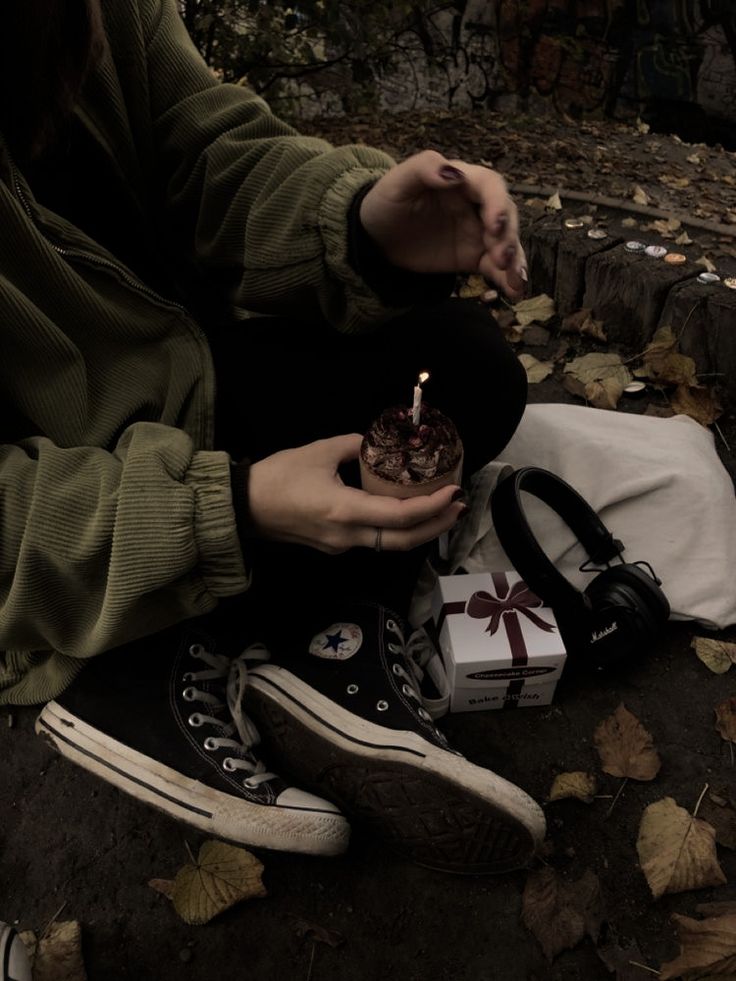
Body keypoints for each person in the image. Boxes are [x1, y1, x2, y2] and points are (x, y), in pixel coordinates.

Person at [0, 0, 545, 874]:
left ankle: (321, 646)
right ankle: (120, 673)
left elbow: (208, 150)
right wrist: (231, 510)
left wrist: (362, 223)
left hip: (185, 377)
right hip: (58, 519)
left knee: (465, 367)